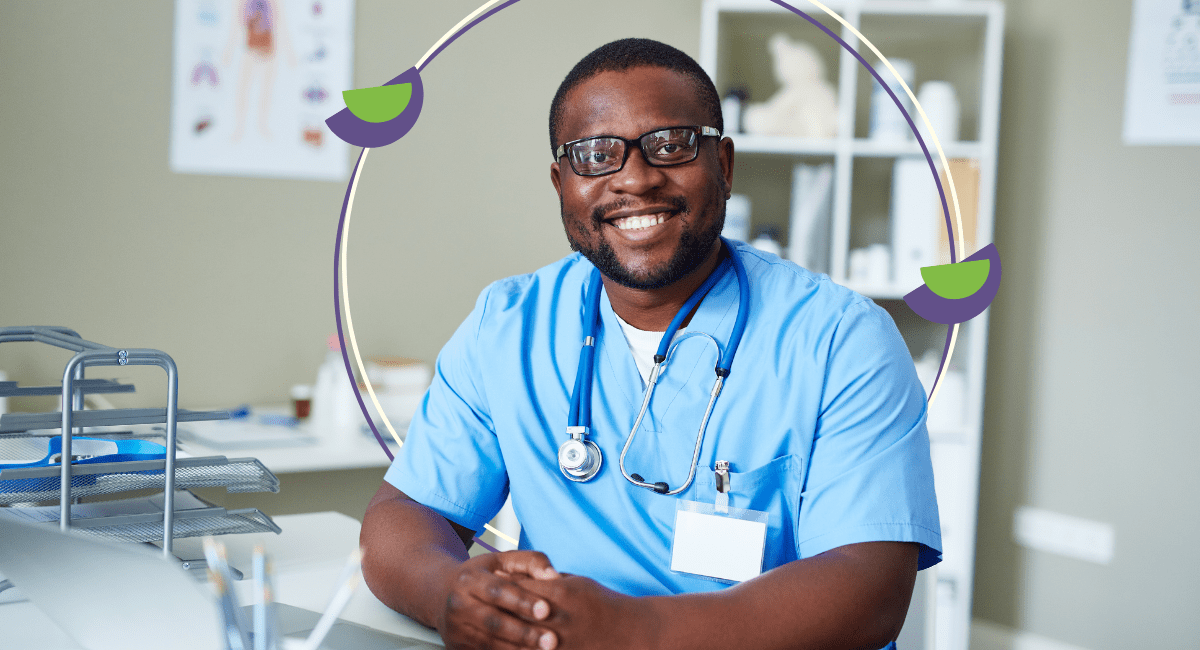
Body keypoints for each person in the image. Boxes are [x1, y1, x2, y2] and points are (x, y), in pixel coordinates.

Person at [360, 38, 940, 650]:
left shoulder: (841, 339)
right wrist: (449, 594)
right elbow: (406, 515)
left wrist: (637, 633)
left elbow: (871, 588)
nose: (635, 178)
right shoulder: (507, 325)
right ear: (561, 183)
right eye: (594, 156)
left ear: (725, 164)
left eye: (672, 144)